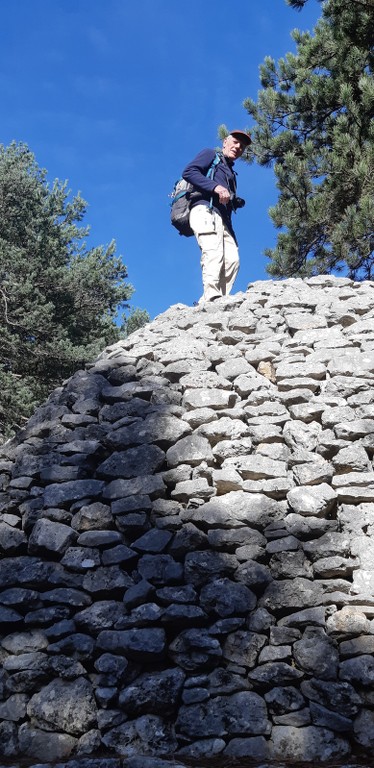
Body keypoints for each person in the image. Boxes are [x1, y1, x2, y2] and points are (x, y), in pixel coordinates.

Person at [182, 130, 251, 304]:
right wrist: (215, 187)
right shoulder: (211, 155)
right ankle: (212, 296)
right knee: (213, 252)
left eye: (242, 147)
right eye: (235, 142)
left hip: (224, 220)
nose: (238, 147)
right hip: (205, 209)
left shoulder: (231, 174)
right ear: (225, 142)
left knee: (232, 260)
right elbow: (189, 172)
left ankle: (217, 300)